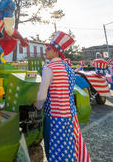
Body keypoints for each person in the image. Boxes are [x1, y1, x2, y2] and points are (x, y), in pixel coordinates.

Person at [34, 31, 90, 162]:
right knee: (68, 147)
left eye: (48, 49)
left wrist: (37, 106)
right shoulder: (69, 68)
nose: (45, 51)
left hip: (54, 115)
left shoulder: (48, 68)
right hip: (70, 114)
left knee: (52, 148)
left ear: (56, 52)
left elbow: (42, 95)